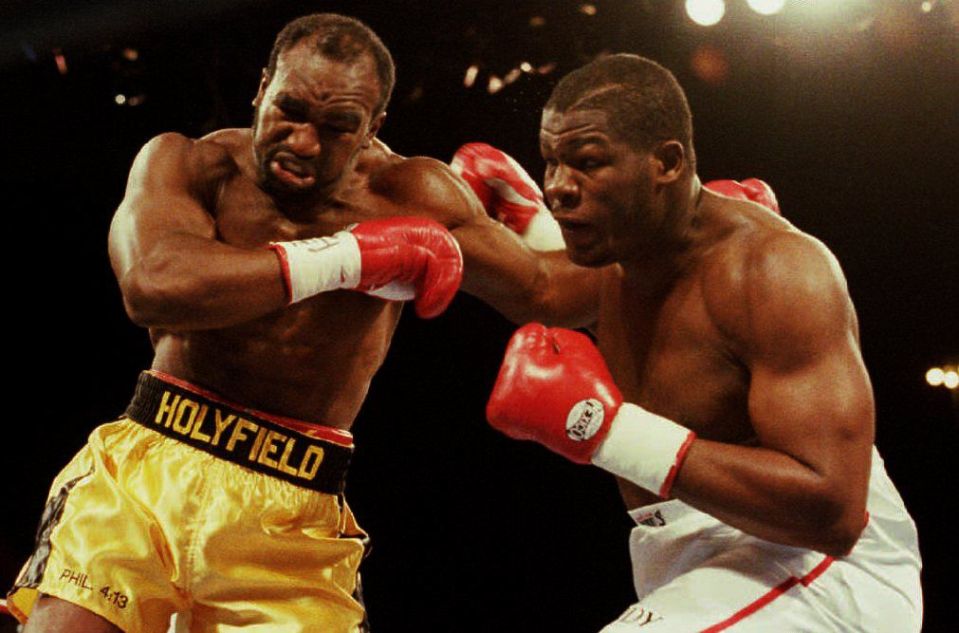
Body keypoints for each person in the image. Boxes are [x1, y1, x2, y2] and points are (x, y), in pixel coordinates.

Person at [4, 12, 607, 633]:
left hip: (293, 514)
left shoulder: (411, 193)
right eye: (289, 109)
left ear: (374, 128)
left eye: (337, 126)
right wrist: (350, 257)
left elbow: (552, 292)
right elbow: (153, 287)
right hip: (145, 473)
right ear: (262, 86)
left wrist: (674, 219)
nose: (303, 142)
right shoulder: (189, 164)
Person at [483, 54, 923, 631]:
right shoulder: (624, 255)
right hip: (686, 560)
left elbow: (835, 512)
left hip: (820, 567)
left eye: (587, 163)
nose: (559, 187)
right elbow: (535, 287)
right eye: (551, 163)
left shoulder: (775, 270)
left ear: (666, 163)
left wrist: (607, 430)